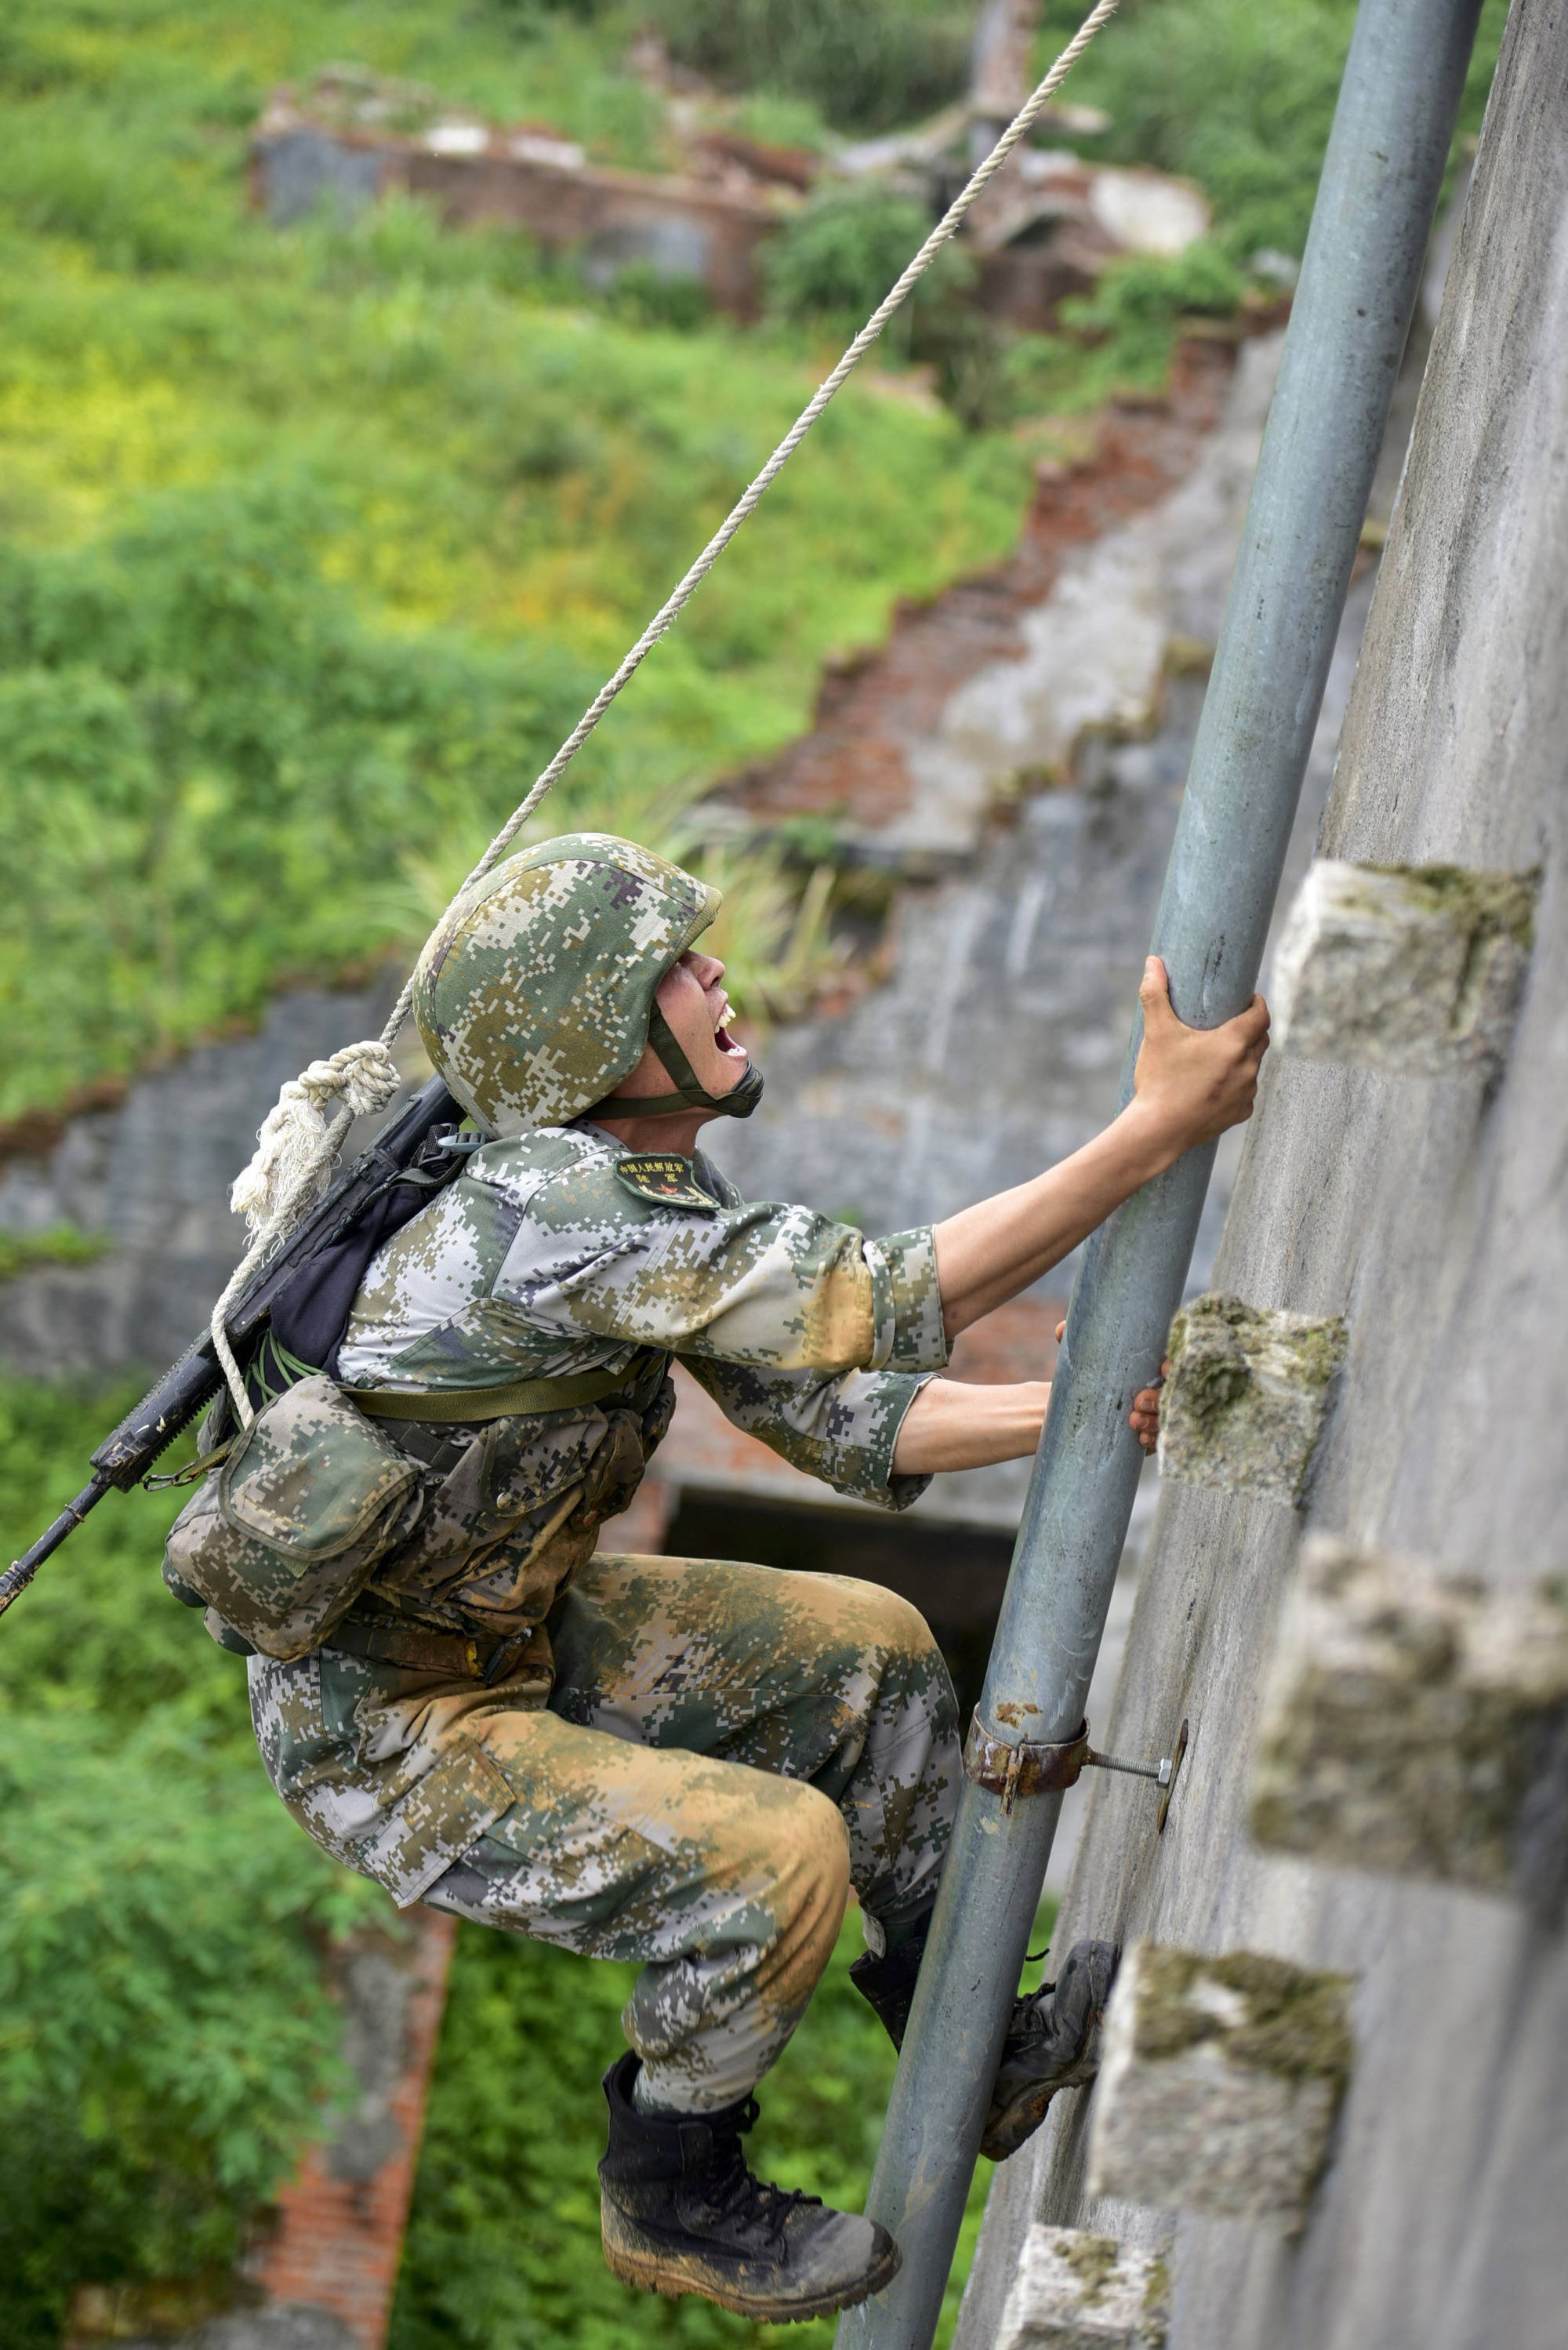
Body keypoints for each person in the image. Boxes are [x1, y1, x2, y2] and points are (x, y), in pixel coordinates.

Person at [241, 834, 1269, 2322]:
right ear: (600, 1032)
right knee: (773, 1854)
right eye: (676, 965)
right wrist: (1152, 1128)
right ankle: (672, 2188)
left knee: (868, 1646)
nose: (719, 976)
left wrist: (1077, 1408)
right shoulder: (558, 1218)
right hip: (388, 1733)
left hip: (503, 1634)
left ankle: (968, 2035)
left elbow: (844, 1413)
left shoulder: (629, 1191)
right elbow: (886, 1296)